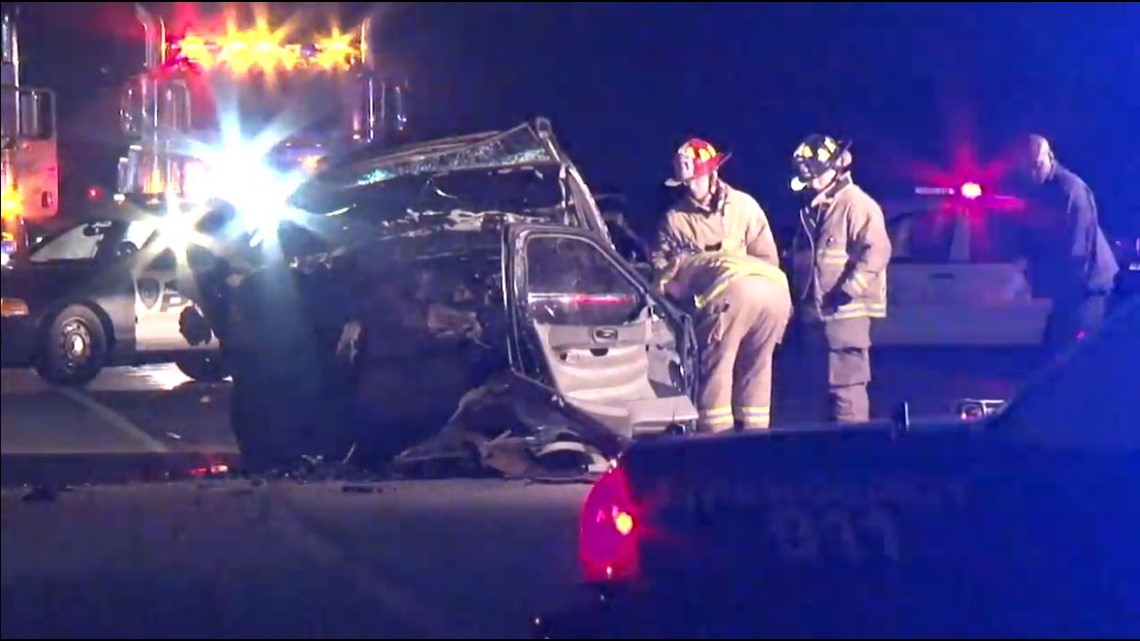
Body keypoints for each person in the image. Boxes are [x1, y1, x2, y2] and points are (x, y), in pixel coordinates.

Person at [650, 138, 790, 431]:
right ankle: (755, 438)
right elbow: (661, 271)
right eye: (684, 182)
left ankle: (715, 441)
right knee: (757, 369)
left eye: (695, 179)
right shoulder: (675, 220)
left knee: (717, 369)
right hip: (775, 295)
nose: (690, 187)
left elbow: (664, 282)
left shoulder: (743, 208)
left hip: (732, 301)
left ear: (713, 173)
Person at [790, 133, 891, 423]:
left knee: (847, 391)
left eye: (814, 175)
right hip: (816, 316)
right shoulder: (813, 209)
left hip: (846, 316)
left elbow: (878, 250)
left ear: (834, 169)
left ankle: (854, 452)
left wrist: (849, 289)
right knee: (818, 392)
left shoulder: (856, 204)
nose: (810, 183)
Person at [1020, 134, 1119, 343]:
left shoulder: (1070, 190)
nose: (1032, 172)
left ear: (1050, 157)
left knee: (1076, 356)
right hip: (1069, 286)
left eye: (1036, 165)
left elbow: (1077, 250)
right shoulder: (1038, 189)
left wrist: (1051, 288)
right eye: (1027, 167)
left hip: (1088, 289)